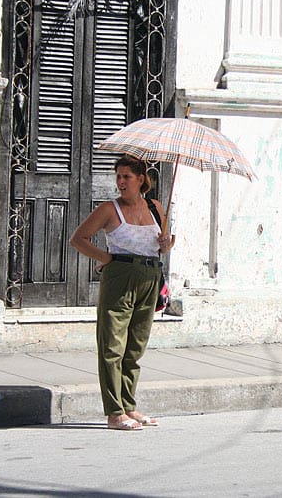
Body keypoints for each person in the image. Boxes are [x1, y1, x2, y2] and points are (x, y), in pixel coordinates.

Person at [70, 155, 174, 431]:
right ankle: (115, 412)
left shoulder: (155, 207)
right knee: (112, 346)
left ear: (141, 180)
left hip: (150, 276)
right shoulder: (109, 209)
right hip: (120, 276)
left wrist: (167, 243)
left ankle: (129, 404)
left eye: (127, 176)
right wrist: (104, 257)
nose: (121, 182)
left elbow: (163, 246)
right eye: (118, 176)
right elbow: (78, 238)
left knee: (135, 346)